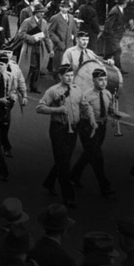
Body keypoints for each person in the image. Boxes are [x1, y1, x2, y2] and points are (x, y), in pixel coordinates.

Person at [38, 63, 95, 208]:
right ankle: (68, 196)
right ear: (60, 76)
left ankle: (49, 182)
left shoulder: (77, 89)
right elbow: (40, 107)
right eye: (67, 76)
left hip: (73, 128)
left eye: (71, 75)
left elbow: (85, 105)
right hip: (58, 129)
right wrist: (57, 109)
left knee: (64, 159)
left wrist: (92, 118)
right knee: (64, 163)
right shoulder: (53, 91)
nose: (70, 78)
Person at [69, 68, 125, 198]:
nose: (104, 82)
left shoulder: (107, 94)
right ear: (93, 81)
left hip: (101, 127)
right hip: (88, 127)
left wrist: (116, 114)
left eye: (105, 80)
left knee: (89, 154)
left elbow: (109, 110)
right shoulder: (86, 96)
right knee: (97, 157)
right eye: (100, 80)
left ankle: (73, 176)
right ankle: (104, 186)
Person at [18, 3, 52, 93]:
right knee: (28, 68)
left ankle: (34, 87)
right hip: (29, 48)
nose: (42, 14)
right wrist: (32, 38)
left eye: (43, 12)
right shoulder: (28, 21)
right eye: (40, 12)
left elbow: (47, 37)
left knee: (37, 68)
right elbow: (21, 34)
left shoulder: (44, 22)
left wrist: (50, 49)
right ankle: (20, 85)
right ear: (35, 12)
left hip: (39, 48)